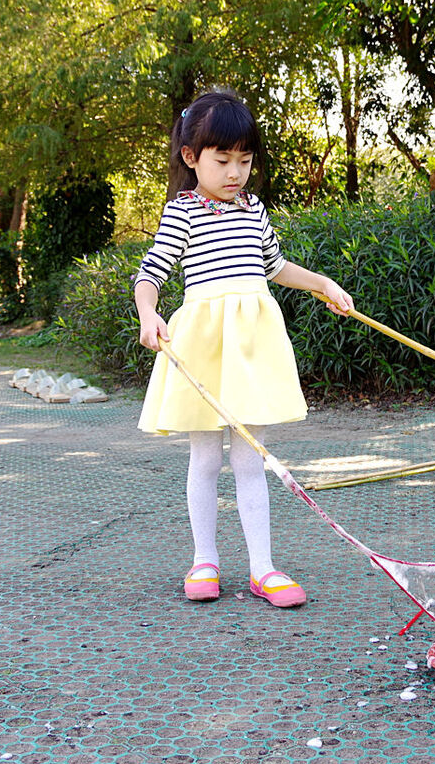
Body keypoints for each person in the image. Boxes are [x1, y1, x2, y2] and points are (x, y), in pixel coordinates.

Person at [135, 89, 354, 609]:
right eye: (223, 160)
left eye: (245, 160)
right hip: (204, 348)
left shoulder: (254, 208)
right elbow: (151, 275)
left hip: (251, 349)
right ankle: (204, 560)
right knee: (206, 457)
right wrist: (149, 314)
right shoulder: (182, 211)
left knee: (252, 458)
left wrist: (323, 283)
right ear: (191, 158)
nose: (236, 172)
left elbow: (275, 267)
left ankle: (263, 568)